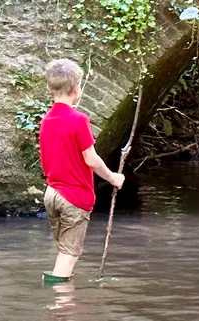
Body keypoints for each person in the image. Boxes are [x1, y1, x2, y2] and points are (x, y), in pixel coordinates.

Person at [39, 59, 125, 283]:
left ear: (49, 88)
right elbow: (91, 159)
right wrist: (113, 178)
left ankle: (60, 292)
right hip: (73, 196)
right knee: (69, 254)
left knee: (64, 251)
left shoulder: (46, 120)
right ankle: (59, 299)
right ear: (77, 89)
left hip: (52, 194)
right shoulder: (78, 120)